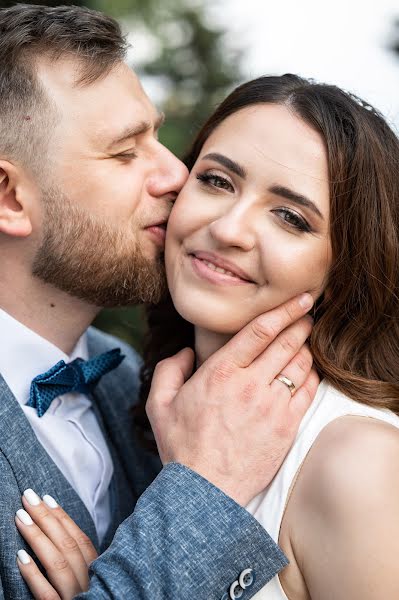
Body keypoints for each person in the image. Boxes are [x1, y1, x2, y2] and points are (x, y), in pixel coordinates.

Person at [16, 73, 399, 600]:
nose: (229, 229)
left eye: (290, 217)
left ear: (347, 266)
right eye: (217, 181)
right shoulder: (148, 399)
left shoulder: (359, 465)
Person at [0, 5, 318, 599]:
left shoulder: (129, 382)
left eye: (157, 135)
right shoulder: (207, 440)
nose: (177, 173)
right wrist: (206, 487)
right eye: (125, 153)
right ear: (10, 197)